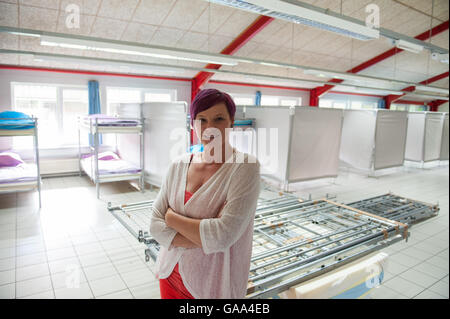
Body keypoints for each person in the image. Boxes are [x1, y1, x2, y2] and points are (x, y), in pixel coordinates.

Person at [149, 88, 260, 299]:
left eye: (218, 119)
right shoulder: (178, 165)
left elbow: (223, 236)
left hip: (211, 286)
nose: (210, 128)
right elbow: (155, 227)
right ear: (192, 124)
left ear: (231, 122)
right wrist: (205, 237)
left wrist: (171, 217)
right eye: (202, 120)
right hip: (170, 275)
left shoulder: (245, 167)